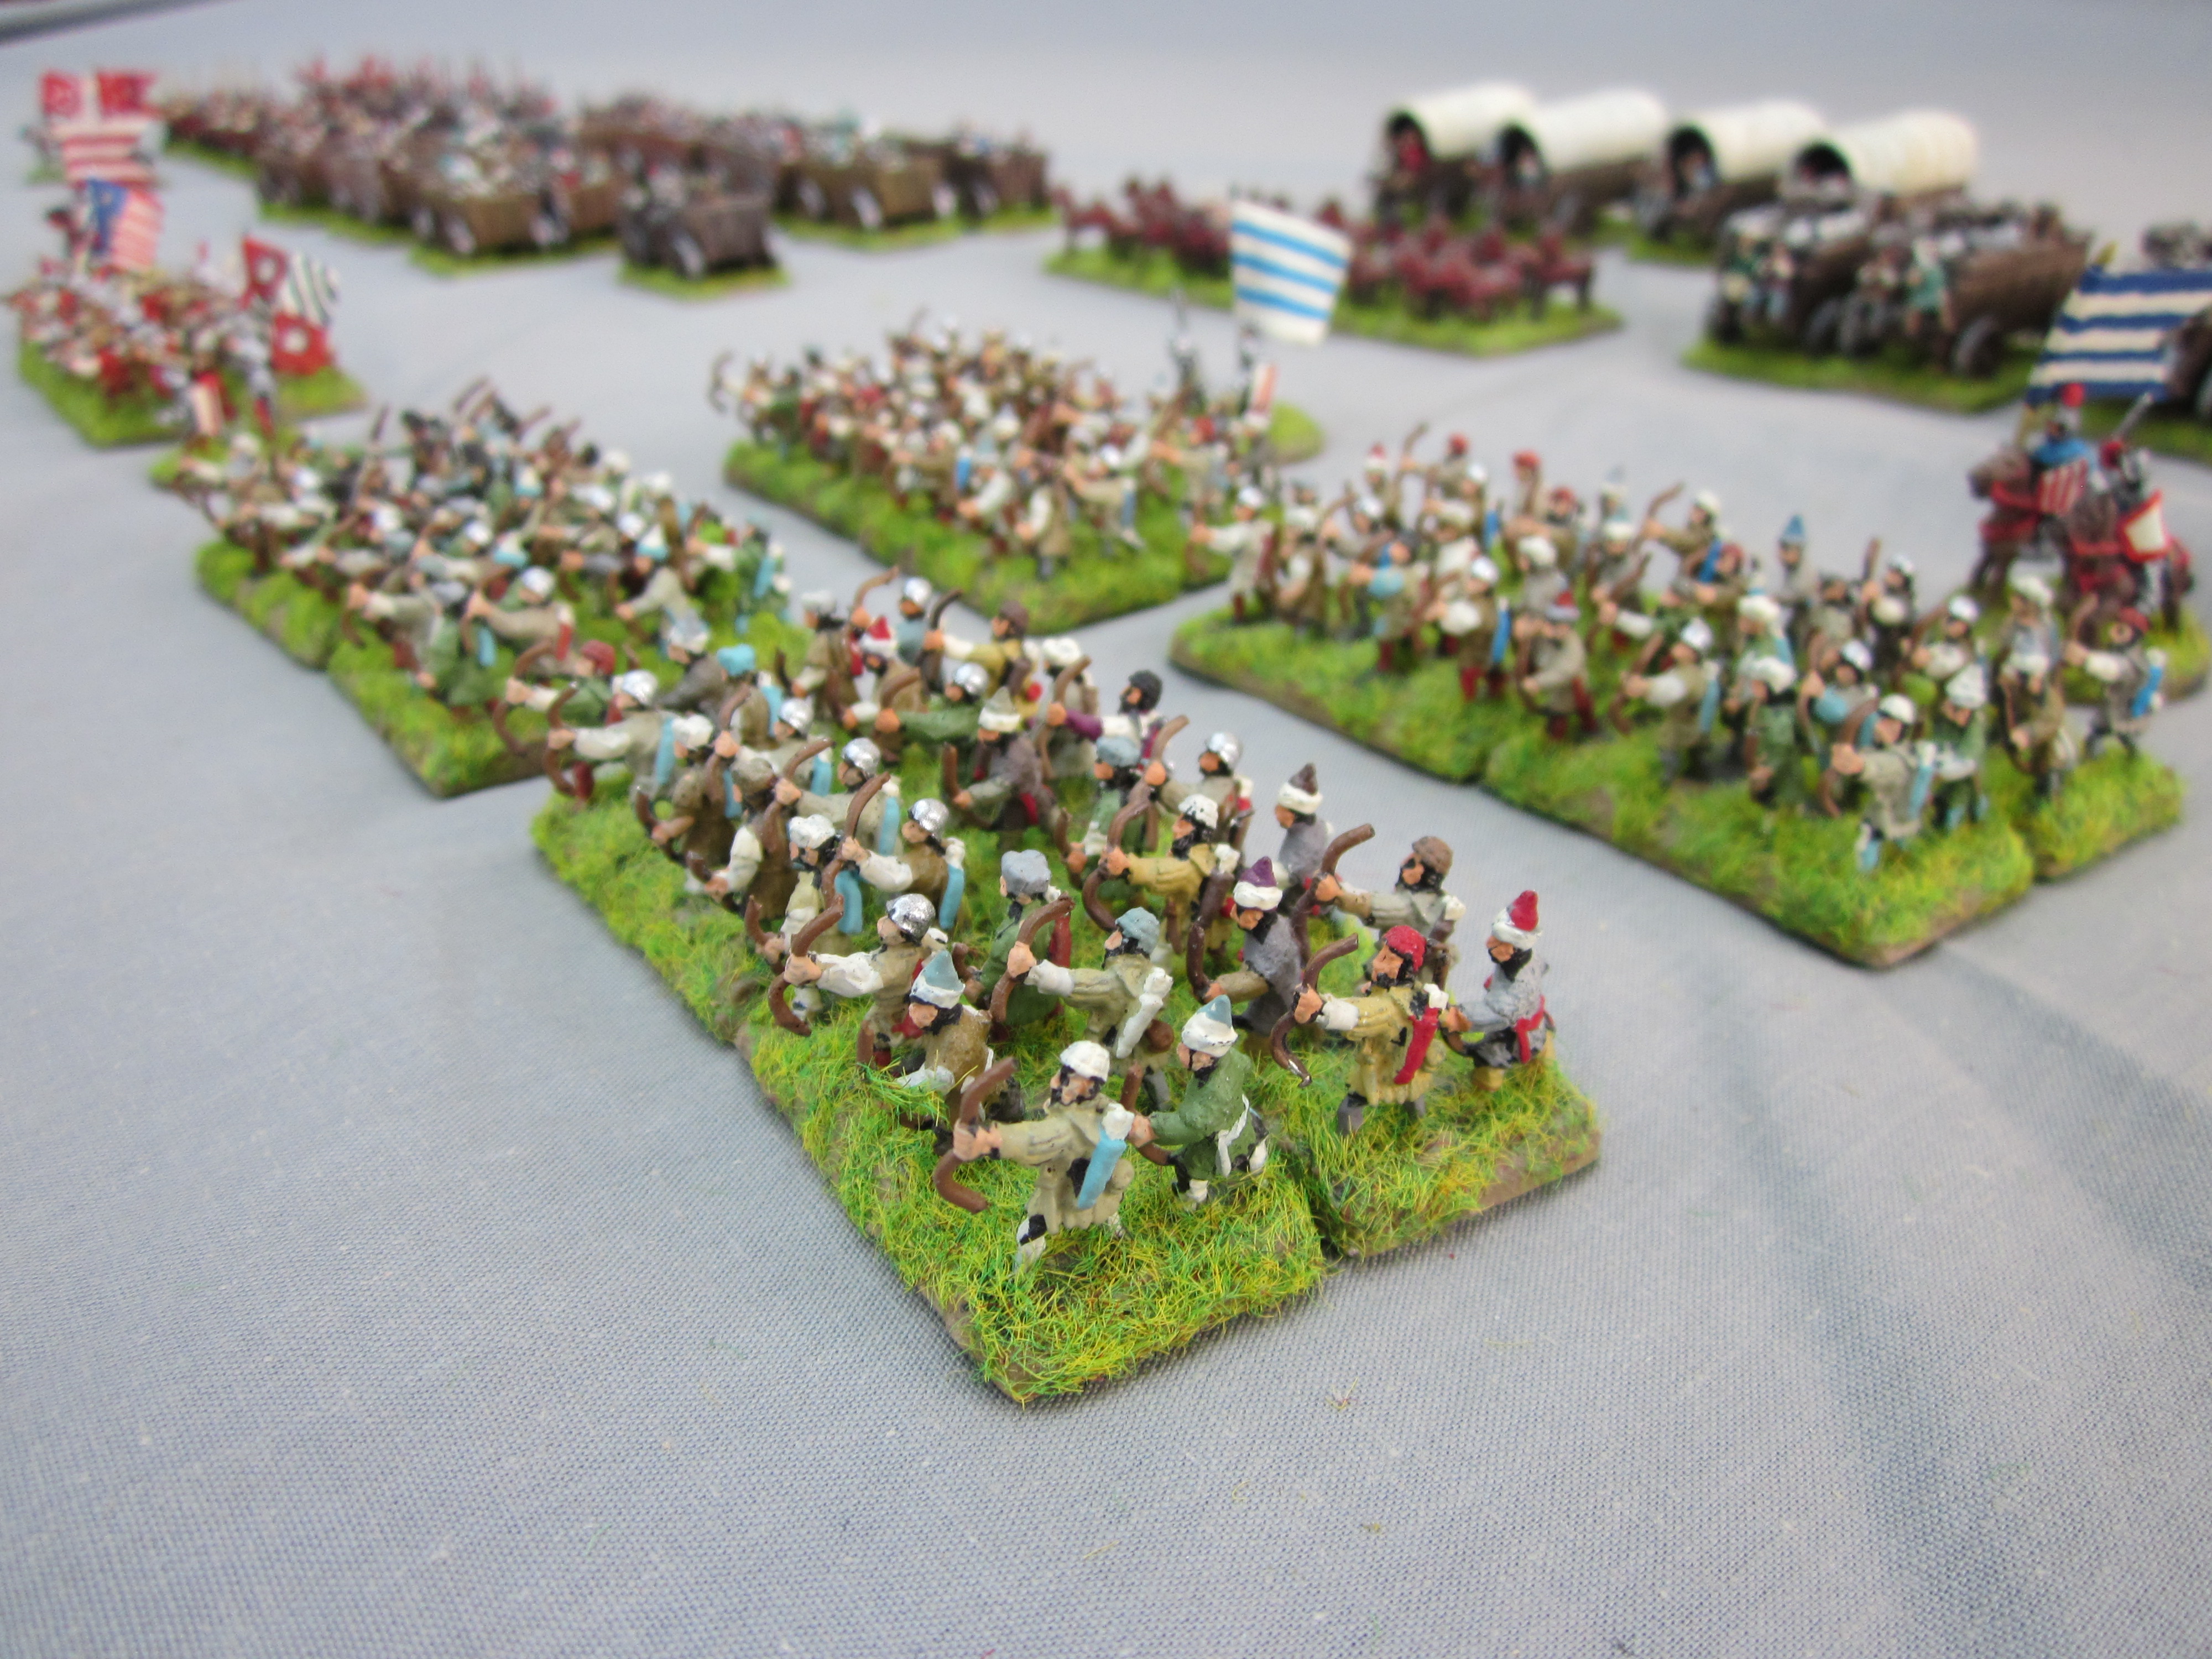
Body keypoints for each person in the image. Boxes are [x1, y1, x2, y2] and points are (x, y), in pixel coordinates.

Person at [951, 1040, 1134, 1267]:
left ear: (1090, 1086)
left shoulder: (1075, 1123)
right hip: (1078, 1180)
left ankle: (1020, 1274)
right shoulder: (1096, 1105)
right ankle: (1112, 1224)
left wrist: (991, 1139)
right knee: (1103, 1206)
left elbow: (1037, 1137)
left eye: (1069, 1078)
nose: (1057, 1081)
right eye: (1063, 1073)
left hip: (1067, 1187)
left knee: (1031, 1233)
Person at [1290, 925, 1465, 1135]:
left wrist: (1321, 1008)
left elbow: (1360, 1015)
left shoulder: (1393, 1005)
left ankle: (1350, 1146)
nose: (1376, 962)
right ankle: (1417, 1128)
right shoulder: (1414, 991)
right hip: (1402, 1065)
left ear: (1406, 967)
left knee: (1349, 1111)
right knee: (1413, 1100)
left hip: (1384, 1070)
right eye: (1381, 955)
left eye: (1387, 959)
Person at [1134, 995, 1268, 1210]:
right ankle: (1259, 1176)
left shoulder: (1215, 1093)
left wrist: (1152, 1127)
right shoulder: (1232, 1058)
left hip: (1214, 1139)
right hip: (1242, 1117)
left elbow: (1191, 1125)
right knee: (1256, 1148)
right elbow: (1247, 1068)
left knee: (1193, 1169)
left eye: (1187, 1049)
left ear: (1205, 1057)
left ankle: (1192, 1203)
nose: (1179, 1050)